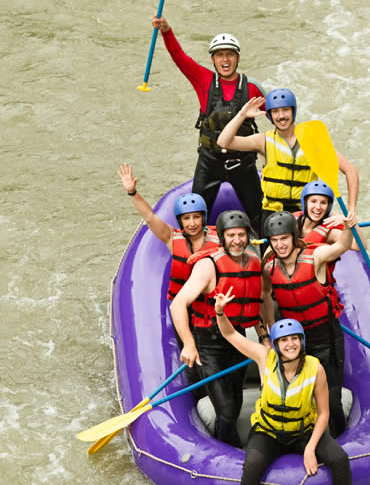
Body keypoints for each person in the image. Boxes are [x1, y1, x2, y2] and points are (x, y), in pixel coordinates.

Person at [213, 306, 370, 485]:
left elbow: (323, 413)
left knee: (339, 458)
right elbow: (230, 335)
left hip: (303, 431)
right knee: (252, 467)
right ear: (277, 344)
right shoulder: (264, 358)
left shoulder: (315, 368)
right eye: (285, 340)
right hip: (268, 431)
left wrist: (310, 448)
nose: (291, 344)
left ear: (302, 341)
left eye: (295, 339)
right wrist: (220, 313)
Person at [151, 16, 265, 234]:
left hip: (243, 164)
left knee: (259, 215)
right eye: (220, 55)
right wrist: (167, 31)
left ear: (237, 58)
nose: (225, 59)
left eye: (230, 54)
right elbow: (179, 57)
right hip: (209, 163)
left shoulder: (253, 89)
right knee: (195, 216)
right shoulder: (203, 80)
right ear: (212, 59)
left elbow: (278, 118)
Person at [117, 164, 219, 398]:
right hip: (186, 311)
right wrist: (132, 192)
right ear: (180, 222)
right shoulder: (173, 239)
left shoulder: (219, 239)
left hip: (211, 311)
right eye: (187, 219)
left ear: (203, 218)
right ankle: (197, 391)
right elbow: (150, 217)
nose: (192, 223)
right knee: (191, 355)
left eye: (196, 217)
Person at [170, 210, 267, 447]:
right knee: (227, 410)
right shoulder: (207, 265)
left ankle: (233, 443)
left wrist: (264, 337)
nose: (237, 240)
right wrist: (190, 344)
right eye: (231, 235)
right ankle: (228, 452)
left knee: (236, 398)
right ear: (222, 238)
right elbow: (178, 304)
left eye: (242, 235)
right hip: (209, 343)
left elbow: (255, 306)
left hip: (237, 339)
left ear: (248, 237)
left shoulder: (254, 263)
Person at [261, 210, 355, 438]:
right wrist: (269, 329)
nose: (280, 245)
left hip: (324, 335)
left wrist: (349, 226)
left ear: (294, 237)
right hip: (294, 339)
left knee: (331, 398)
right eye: (274, 240)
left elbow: (340, 247)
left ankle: (340, 439)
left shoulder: (316, 256)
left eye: (284, 238)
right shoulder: (269, 266)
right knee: (299, 395)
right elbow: (265, 294)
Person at [216, 91, 360, 234]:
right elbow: (223, 141)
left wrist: (351, 209)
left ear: (293, 111)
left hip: (306, 214)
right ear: (270, 116)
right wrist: (242, 115)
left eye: (286, 110)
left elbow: (350, 170)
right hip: (272, 214)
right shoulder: (263, 141)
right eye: (276, 112)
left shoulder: (313, 142)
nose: (281, 116)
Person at [295, 179, 368, 252]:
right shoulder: (293, 221)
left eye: (323, 203)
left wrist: (351, 221)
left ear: (328, 206)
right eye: (313, 201)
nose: (318, 207)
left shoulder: (331, 233)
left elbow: (361, 246)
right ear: (305, 203)